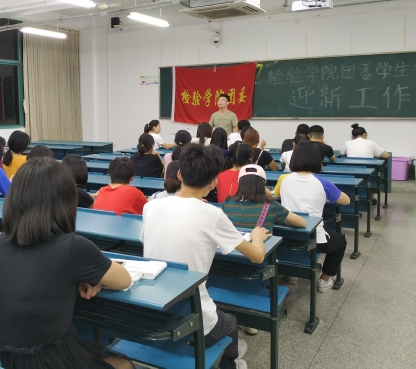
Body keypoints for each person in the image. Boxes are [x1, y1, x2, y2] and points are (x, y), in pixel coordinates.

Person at [0, 157, 133, 369]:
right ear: (65, 200)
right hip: (46, 359)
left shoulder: (2, 242)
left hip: (5, 356)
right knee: (123, 364)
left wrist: (87, 276)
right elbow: (124, 280)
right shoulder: (73, 247)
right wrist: (96, 279)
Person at [142, 144, 271, 369]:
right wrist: (257, 236)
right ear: (213, 183)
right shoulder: (212, 214)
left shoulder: (151, 207)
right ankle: (231, 361)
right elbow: (257, 257)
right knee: (230, 323)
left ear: (179, 174)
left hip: (152, 306)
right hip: (194, 315)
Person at [274, 141, 350, 292]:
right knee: (340, 240)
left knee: (294, 243)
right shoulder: (322, 182)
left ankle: (291, 274)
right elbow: (346, 200)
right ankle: (324, 280)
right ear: (317, 160)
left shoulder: (284, 180)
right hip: (314, 238)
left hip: (287, 235)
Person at [222, 164, 307, 232]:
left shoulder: (227, 203)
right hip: (261, 248)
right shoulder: (272, 206)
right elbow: (302, 223)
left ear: (238, 183)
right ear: (264, 184)